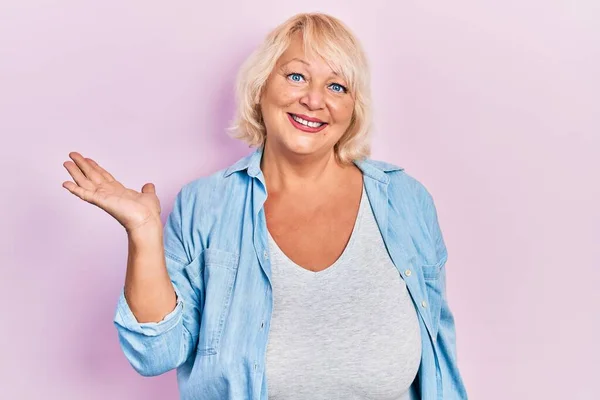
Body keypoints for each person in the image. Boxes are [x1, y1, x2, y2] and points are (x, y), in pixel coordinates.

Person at [62, 12, 468, 400]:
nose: (314, 99)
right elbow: (156, 355)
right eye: (296, 76)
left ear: (352, 109)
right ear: (261, 89)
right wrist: (144, 234)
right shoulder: (205, 205)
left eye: (337, 86)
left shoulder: (406, 200)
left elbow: (439, 355)